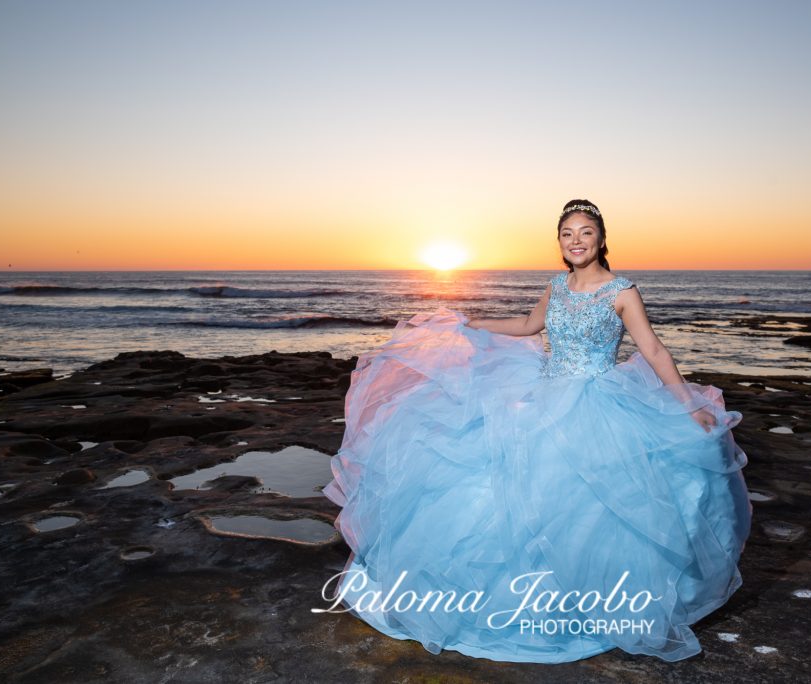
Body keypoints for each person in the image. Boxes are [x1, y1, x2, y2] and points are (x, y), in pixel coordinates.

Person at [319, 199, 752, 663]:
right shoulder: (556, 286)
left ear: (602, 239)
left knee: (588, 504)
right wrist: (475, 323)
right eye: (567, 234)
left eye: (585, 232)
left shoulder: (622, 291)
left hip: (598, 401)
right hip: (545, 393)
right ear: (560, 243)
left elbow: (654, 350)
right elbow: (529, 326)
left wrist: (687, 404)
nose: (576, 241)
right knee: (501, 486)